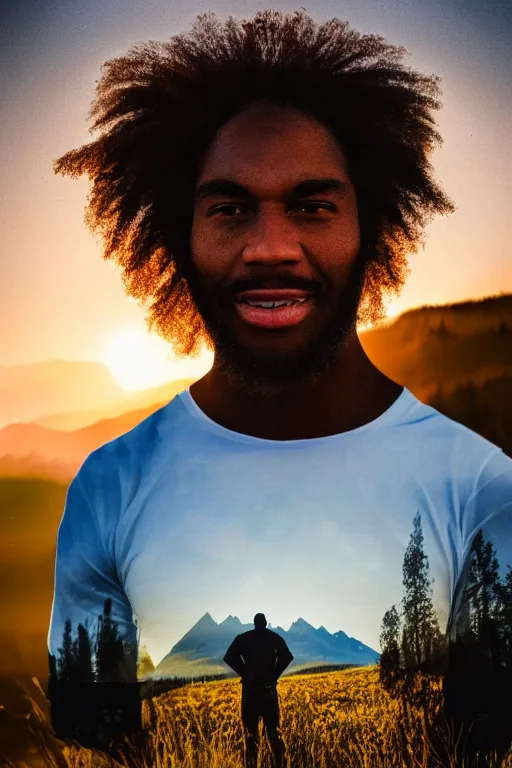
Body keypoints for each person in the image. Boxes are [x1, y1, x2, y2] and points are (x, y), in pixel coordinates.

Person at [47, 9, 512, 766]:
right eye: (229, 209)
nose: (270, 246)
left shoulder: (482, 487)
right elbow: (90, 744)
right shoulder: (107, 486)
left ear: (373, 227)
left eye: (312, 206)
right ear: (176, 238)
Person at [223, 613, 293, 768]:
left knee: (254, 735)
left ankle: (258, 764)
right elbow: (287, 657)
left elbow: (229, 657)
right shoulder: (275, 638)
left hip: (252, 692)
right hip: (265, 692)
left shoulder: (244, 638)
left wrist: (246, 673)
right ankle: (278, 764)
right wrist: (273, 675)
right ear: (264, 623)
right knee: (270, 734)